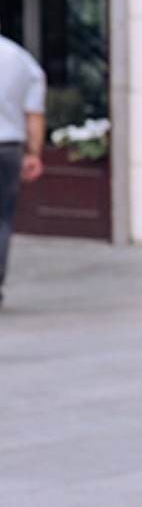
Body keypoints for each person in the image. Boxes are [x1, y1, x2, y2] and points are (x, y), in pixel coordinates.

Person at [0, 33, 46, 310]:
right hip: (8, 147)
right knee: (2, 218)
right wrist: (33, 153)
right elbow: (33, 113)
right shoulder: (19, 58)